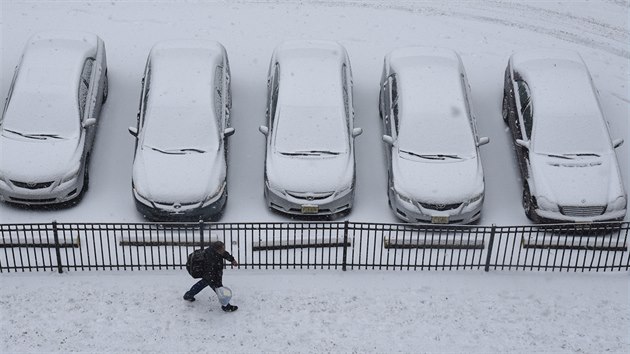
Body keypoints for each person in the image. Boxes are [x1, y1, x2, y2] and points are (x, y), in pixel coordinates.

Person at [183, 241, 239, 312]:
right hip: (210, 275)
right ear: (217, 250)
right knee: (219, 289)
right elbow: (211, 270)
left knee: (202, 284)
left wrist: (232, 260)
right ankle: (226, 306)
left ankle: (188, 295)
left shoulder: (217, 251)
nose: (224, 250)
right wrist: (216, 281)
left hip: (211, 274)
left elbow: (224, 254)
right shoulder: (210, 257)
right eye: (222, 249)